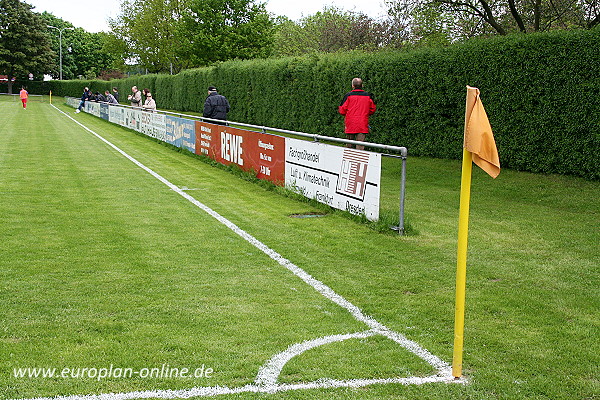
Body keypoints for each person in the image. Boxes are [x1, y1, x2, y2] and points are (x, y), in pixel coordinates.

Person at [338, 77, 376, 150]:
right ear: (362, 85)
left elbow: (342, 110)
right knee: (360, 146)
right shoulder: (368, 96)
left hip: (350, 123)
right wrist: (365, 113)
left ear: (353, 86)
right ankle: (358, 161)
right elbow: (372, 109)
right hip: (363, 123)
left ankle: (349, 160)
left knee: (349, 146)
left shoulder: (348, 96)